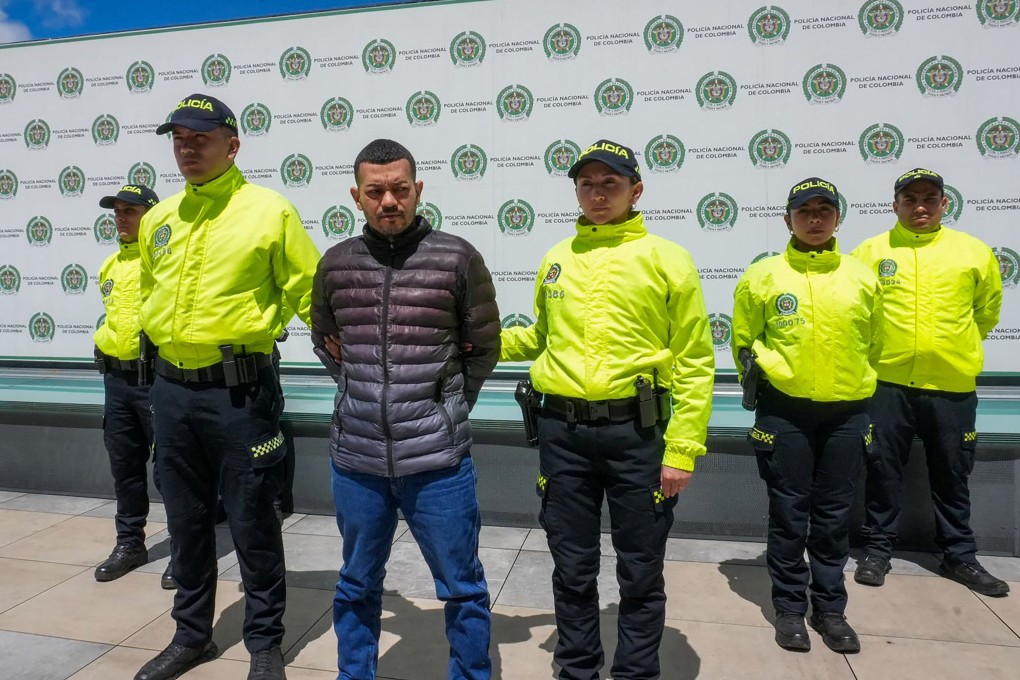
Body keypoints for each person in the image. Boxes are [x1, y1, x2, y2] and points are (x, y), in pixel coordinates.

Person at [500, 140, 714, 680]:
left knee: (641, 570)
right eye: (587, 184)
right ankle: (576, 668)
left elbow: (693, 361)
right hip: (563, 434)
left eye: (610, 184)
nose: (597, 194)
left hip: (637, 437)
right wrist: (473, 338)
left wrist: (682, 450)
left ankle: (636, 672)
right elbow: (542, 339)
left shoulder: (668, 259)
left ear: (635, 190)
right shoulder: (557, 258)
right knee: (572, 568)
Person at [133, 93, 321, 680]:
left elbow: (310, 295)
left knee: (252, 520)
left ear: (232, 145)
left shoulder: (270, 211)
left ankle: (264, 642)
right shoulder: (160, 219)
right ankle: (192, 636)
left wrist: (358, 359)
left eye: (201, 138)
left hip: (240, 397)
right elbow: (148, 297)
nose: (187, 149)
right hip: (170, 392)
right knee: (186, 521)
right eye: (179, 139)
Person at [310, 138, 500, 680]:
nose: (388, 201)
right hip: (357, 461)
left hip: (439, 463)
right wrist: (358, 391)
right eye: (375, 191)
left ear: (418, 190)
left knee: (462, 587)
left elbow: (484, 346)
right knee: (356, 584)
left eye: (399, 189)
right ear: (357, 195)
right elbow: (325, 340)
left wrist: (447, 406)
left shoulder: (457, 257)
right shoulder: (336, 264)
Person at [732, 178, 883, 654]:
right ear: (787, 219)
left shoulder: (862, 276)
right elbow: (743, 342)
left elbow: (875, 343)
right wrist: (779, 379)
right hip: (785, 414)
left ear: (839, 218)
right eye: (804, 211)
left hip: (847, 413)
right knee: (789, 514)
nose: (814, 219)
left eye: (824, 210)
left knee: (835, 516)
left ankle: (831, 609)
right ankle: (790, 609)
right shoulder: (763, 276)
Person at [852, 168, 1008, 597]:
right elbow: (856, 315)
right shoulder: (869, 252)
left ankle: (959, 555)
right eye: (910, 199)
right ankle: (877, 551)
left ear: (944, 204)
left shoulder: (973, 252)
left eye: (929, 198)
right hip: (887, 383)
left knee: (952, 472)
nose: (919, 206)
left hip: (951, 385)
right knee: (882, 470)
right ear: (895, 205)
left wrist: (951, 349)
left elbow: (985, 313)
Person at [93, 183, 175, 591]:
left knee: (171, 471)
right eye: (118, 211)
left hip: (156, 380)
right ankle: (130, 544)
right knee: (124, 467)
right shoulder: (109, 265)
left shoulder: (164, 264)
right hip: (116, 381)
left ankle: (183, 548)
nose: (121, 218)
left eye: (131, 211)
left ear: (152, 216)